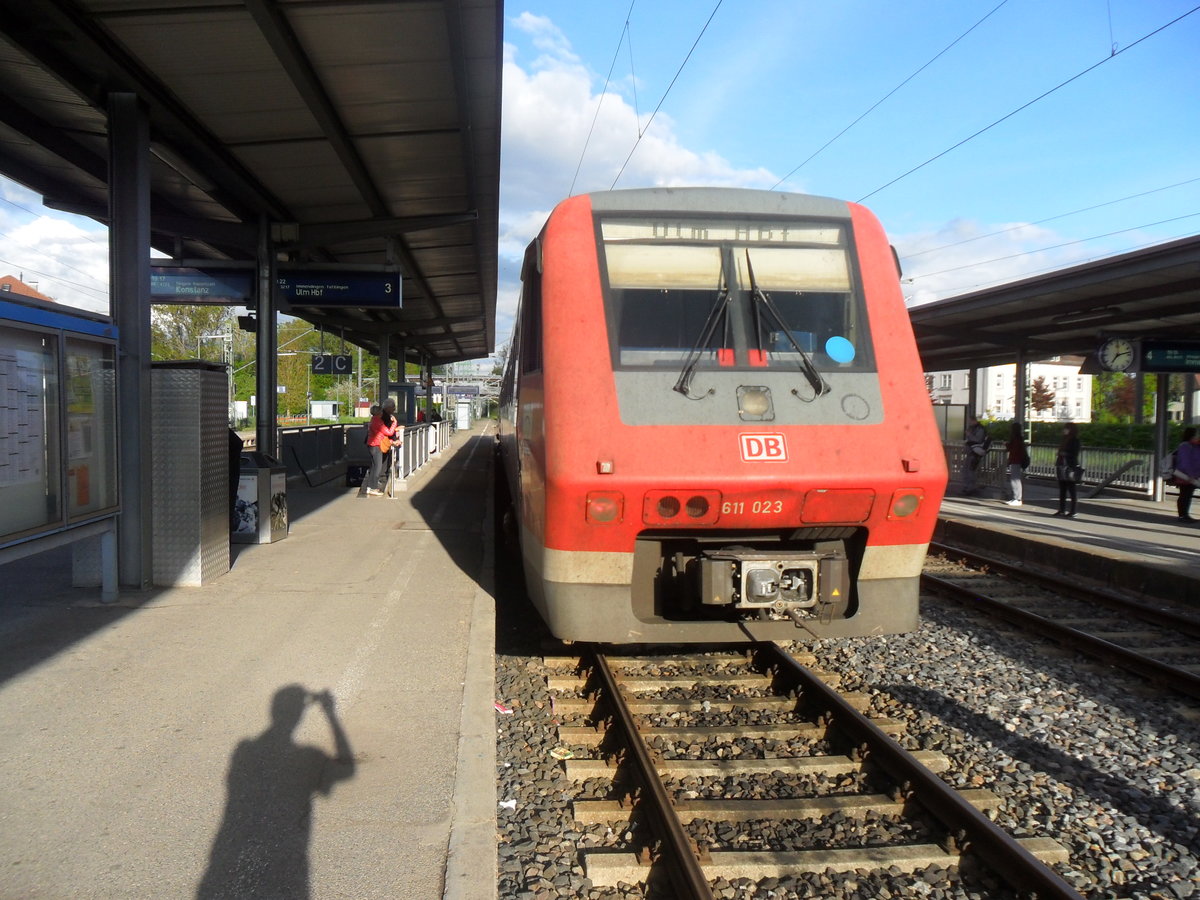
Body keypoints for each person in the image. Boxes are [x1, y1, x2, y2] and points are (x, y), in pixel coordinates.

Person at [363, 399, 398, 497]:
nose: (383, 413)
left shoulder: (373, 420)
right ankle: (373, 488)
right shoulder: (378, 422)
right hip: (377, 445)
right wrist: (395, 423)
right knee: (378, 467)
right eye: (381, 411)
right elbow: (389, 432)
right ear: (379, 413)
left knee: (374, 466)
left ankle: (370, 486)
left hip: (371, 445)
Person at [1053, 422, 1081, 518]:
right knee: (1062, 489)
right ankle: (1062, 509)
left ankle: (1073, 510)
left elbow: (1075, 453)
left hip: (1070, 466)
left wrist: (1064, 453)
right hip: (1061, 465)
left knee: (1072, 489)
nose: (1064, 430)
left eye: (1066, 428)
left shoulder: (1075, 440)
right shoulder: (1064, 439)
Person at [1173, 427, 1200, 522]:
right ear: (1191, 435)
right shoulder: (1185, 446)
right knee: (1185, 494)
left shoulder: (1194, 446)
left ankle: (1185, 514)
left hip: (1192, 475)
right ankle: (1183, 515)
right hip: (1185, 475)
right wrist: (1190, 474)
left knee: (1187, 495)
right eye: (1196, 434)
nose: (1197, 436)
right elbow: (1185, 462)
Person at [962, 414, 988, 496]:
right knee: (967, 469)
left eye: (970, 421)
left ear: (974, 421)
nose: (969, 423)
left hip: (975, 452)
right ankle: (968, 487)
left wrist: (969, 434)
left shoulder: (979, 429)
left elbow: (978, 440)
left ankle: (970, 487)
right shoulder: (975, 428)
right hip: (971, 451)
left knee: (970, 470)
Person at [1004, 421, 1027, 507]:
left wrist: (1007, 445)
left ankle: (1017, 498)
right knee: (1015, 479)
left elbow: (1013, 449)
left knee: (1015, 479)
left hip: (1015, 460)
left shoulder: (1015, 439)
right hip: (1016, 460)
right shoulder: (1019, 438)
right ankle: (1016, 498)